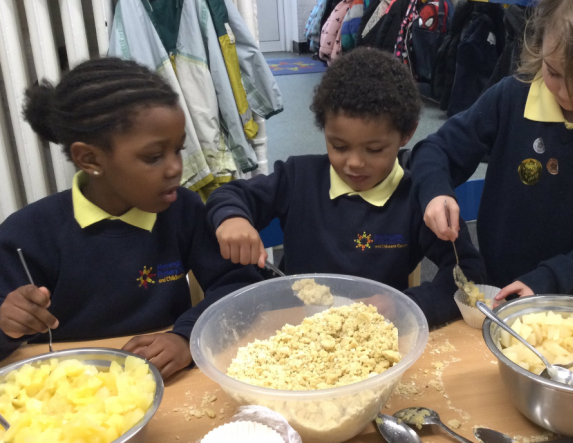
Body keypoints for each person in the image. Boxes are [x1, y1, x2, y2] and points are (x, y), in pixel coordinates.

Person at [0, 58, 262, 378]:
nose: (175, 168)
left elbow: (238, 287)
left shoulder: (183, 210)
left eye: (178, 150)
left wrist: (185, 336)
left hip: (166, 381)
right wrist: (6, 325)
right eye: (154, 157)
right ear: (90, 159)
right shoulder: (27, 234)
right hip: (63, 385)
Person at [410, 0, 573, 302]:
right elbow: (436, 149)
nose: (568, 94)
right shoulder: (513, 97)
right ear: (541, 44)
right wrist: (435, 189)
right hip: (502, 286)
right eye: (554, 72)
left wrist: (551, 279)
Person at [207, 48, 486, 327]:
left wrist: (403, 305)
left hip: (377, 332)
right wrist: (232, 217)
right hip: (296, 328)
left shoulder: (416, 195)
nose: (354, 163)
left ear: (407, 133)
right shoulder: (298, 177)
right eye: (339, 146)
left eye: (374, 149)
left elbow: (470, 273)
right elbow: (229, 194)